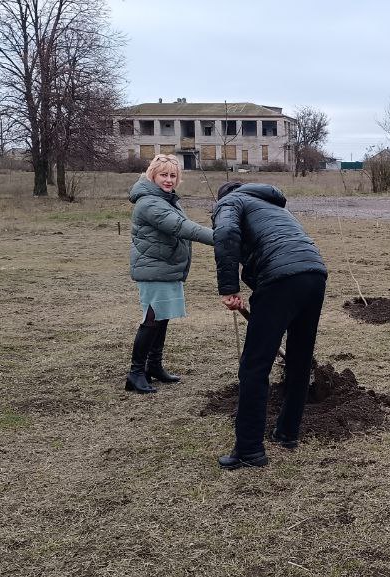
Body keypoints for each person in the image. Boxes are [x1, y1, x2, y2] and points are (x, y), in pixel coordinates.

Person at [212, 181, 328, 470]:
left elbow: (226, 233)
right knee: (299, 360)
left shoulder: (231, 202)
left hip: (281, 279)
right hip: (314, 273)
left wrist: (228, 288)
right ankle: (287, 432)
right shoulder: (274, 206)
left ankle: (250, 449)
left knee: (255, 365)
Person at [124, 154, 214, 394]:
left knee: (162, 317)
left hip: (164, 266)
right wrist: (221, 238)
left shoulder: (166, 199)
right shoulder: (149, 203)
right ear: (152, 175)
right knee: (152, 319)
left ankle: (154, 366)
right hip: (153, 267)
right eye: (163, 174)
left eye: (173, 175)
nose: (168, 180)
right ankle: (135, 373)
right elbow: (181, 227)